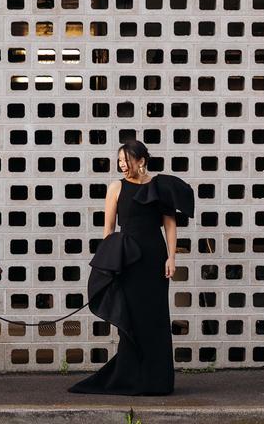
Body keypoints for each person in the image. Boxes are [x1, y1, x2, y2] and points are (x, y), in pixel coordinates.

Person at [67, 139, 195, 396]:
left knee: (156, 319)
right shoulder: (115, 187)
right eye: (120, 162)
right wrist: (107, 265)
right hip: (127, 260)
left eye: (126, 161)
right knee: (132, 319)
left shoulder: (160, 186)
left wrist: (172, 258)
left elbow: (170, 224)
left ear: (141, 161)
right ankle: (129, 378)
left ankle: (157, 382)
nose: (122, 166)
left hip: (154, 260)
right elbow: (108, 230)